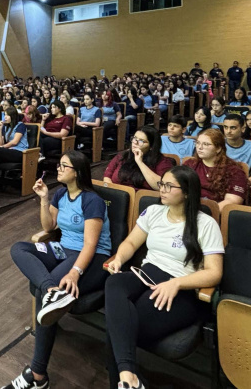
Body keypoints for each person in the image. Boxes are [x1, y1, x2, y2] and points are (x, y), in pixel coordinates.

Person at [104, 166, 224, 389]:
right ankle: (129, 377)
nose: (162, 189)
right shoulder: (153, 212)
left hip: (181, 288)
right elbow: (131, 243)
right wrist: (119, 259)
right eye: (162, 184)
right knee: (114, 283)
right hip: (146, 274)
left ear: (187, 192)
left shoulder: (205, 224)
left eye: (169, 186)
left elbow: (214, 273)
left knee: (120, 327)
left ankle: (127, 380)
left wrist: (176, 283)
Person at [2, 151, 111, 389]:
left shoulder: (92, 200)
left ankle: (38, 376)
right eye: (59, 165)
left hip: (93, 258)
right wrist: (43, 198)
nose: (58, 169)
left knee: (44, 291)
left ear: (78, 172)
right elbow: (48, 226)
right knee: (19, 248)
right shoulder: (61, 193)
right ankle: (52, 289)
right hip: (64, 249)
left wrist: (75, 273)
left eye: (64, 166)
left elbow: (91, 245)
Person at [183, 129, 247, 211]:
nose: (199, 147)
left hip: (215, 214)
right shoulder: (190, 164)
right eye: (198, 143)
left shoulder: (234, 170)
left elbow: (232, 201)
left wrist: (207, 214)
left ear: (218, 148)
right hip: (188, 209)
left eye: (206, 144)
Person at [103, 126, 174, 190]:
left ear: (151, 147)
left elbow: (161, 186)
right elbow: (107, 176)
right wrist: (114, 192)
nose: (135, 142)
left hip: (143, 201)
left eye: (141, 141)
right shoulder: (123, 156)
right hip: (119, 197)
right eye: (134, 138)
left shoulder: (162, 162)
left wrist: (140, 162)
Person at [0, 107, 31, 198]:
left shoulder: (20, 125)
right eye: (4, 115)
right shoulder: (6, 127)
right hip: (9, 152)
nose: (5, 117)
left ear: (12, 116)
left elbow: (15, 142)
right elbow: (0, 143)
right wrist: (0, 129)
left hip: (20, 152)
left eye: (7, 115)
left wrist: (2, 147)